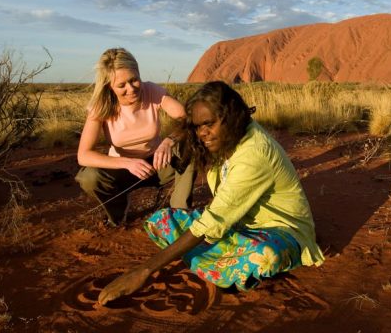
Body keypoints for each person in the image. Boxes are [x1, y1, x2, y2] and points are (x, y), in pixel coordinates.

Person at [98, 81, 324, 304]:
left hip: (279, 229)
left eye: (208, 124)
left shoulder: (254, 154)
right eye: (197, 126)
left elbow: (213, 219)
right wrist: (169, 141)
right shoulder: (227, 138)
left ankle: (206, 255)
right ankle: (211, 257)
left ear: (230, 117)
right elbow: (215, 215)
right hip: (239, 223)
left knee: (265, 255)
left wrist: (143, 271)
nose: (202, 133)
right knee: (162, 220)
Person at [76, 48, 195, 226]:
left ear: (139, 73)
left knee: (191, 147)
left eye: (134, 80)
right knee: (89, 177)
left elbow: (188, 119)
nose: (131, 89)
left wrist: (169, 141)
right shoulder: (101, 105)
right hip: (123, 170)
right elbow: (83, 155)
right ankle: (118, 212)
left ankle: (179, 216)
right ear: (110, 86)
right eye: (121, 85)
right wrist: (127, 162)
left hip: (157, 164)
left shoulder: (152, 91)